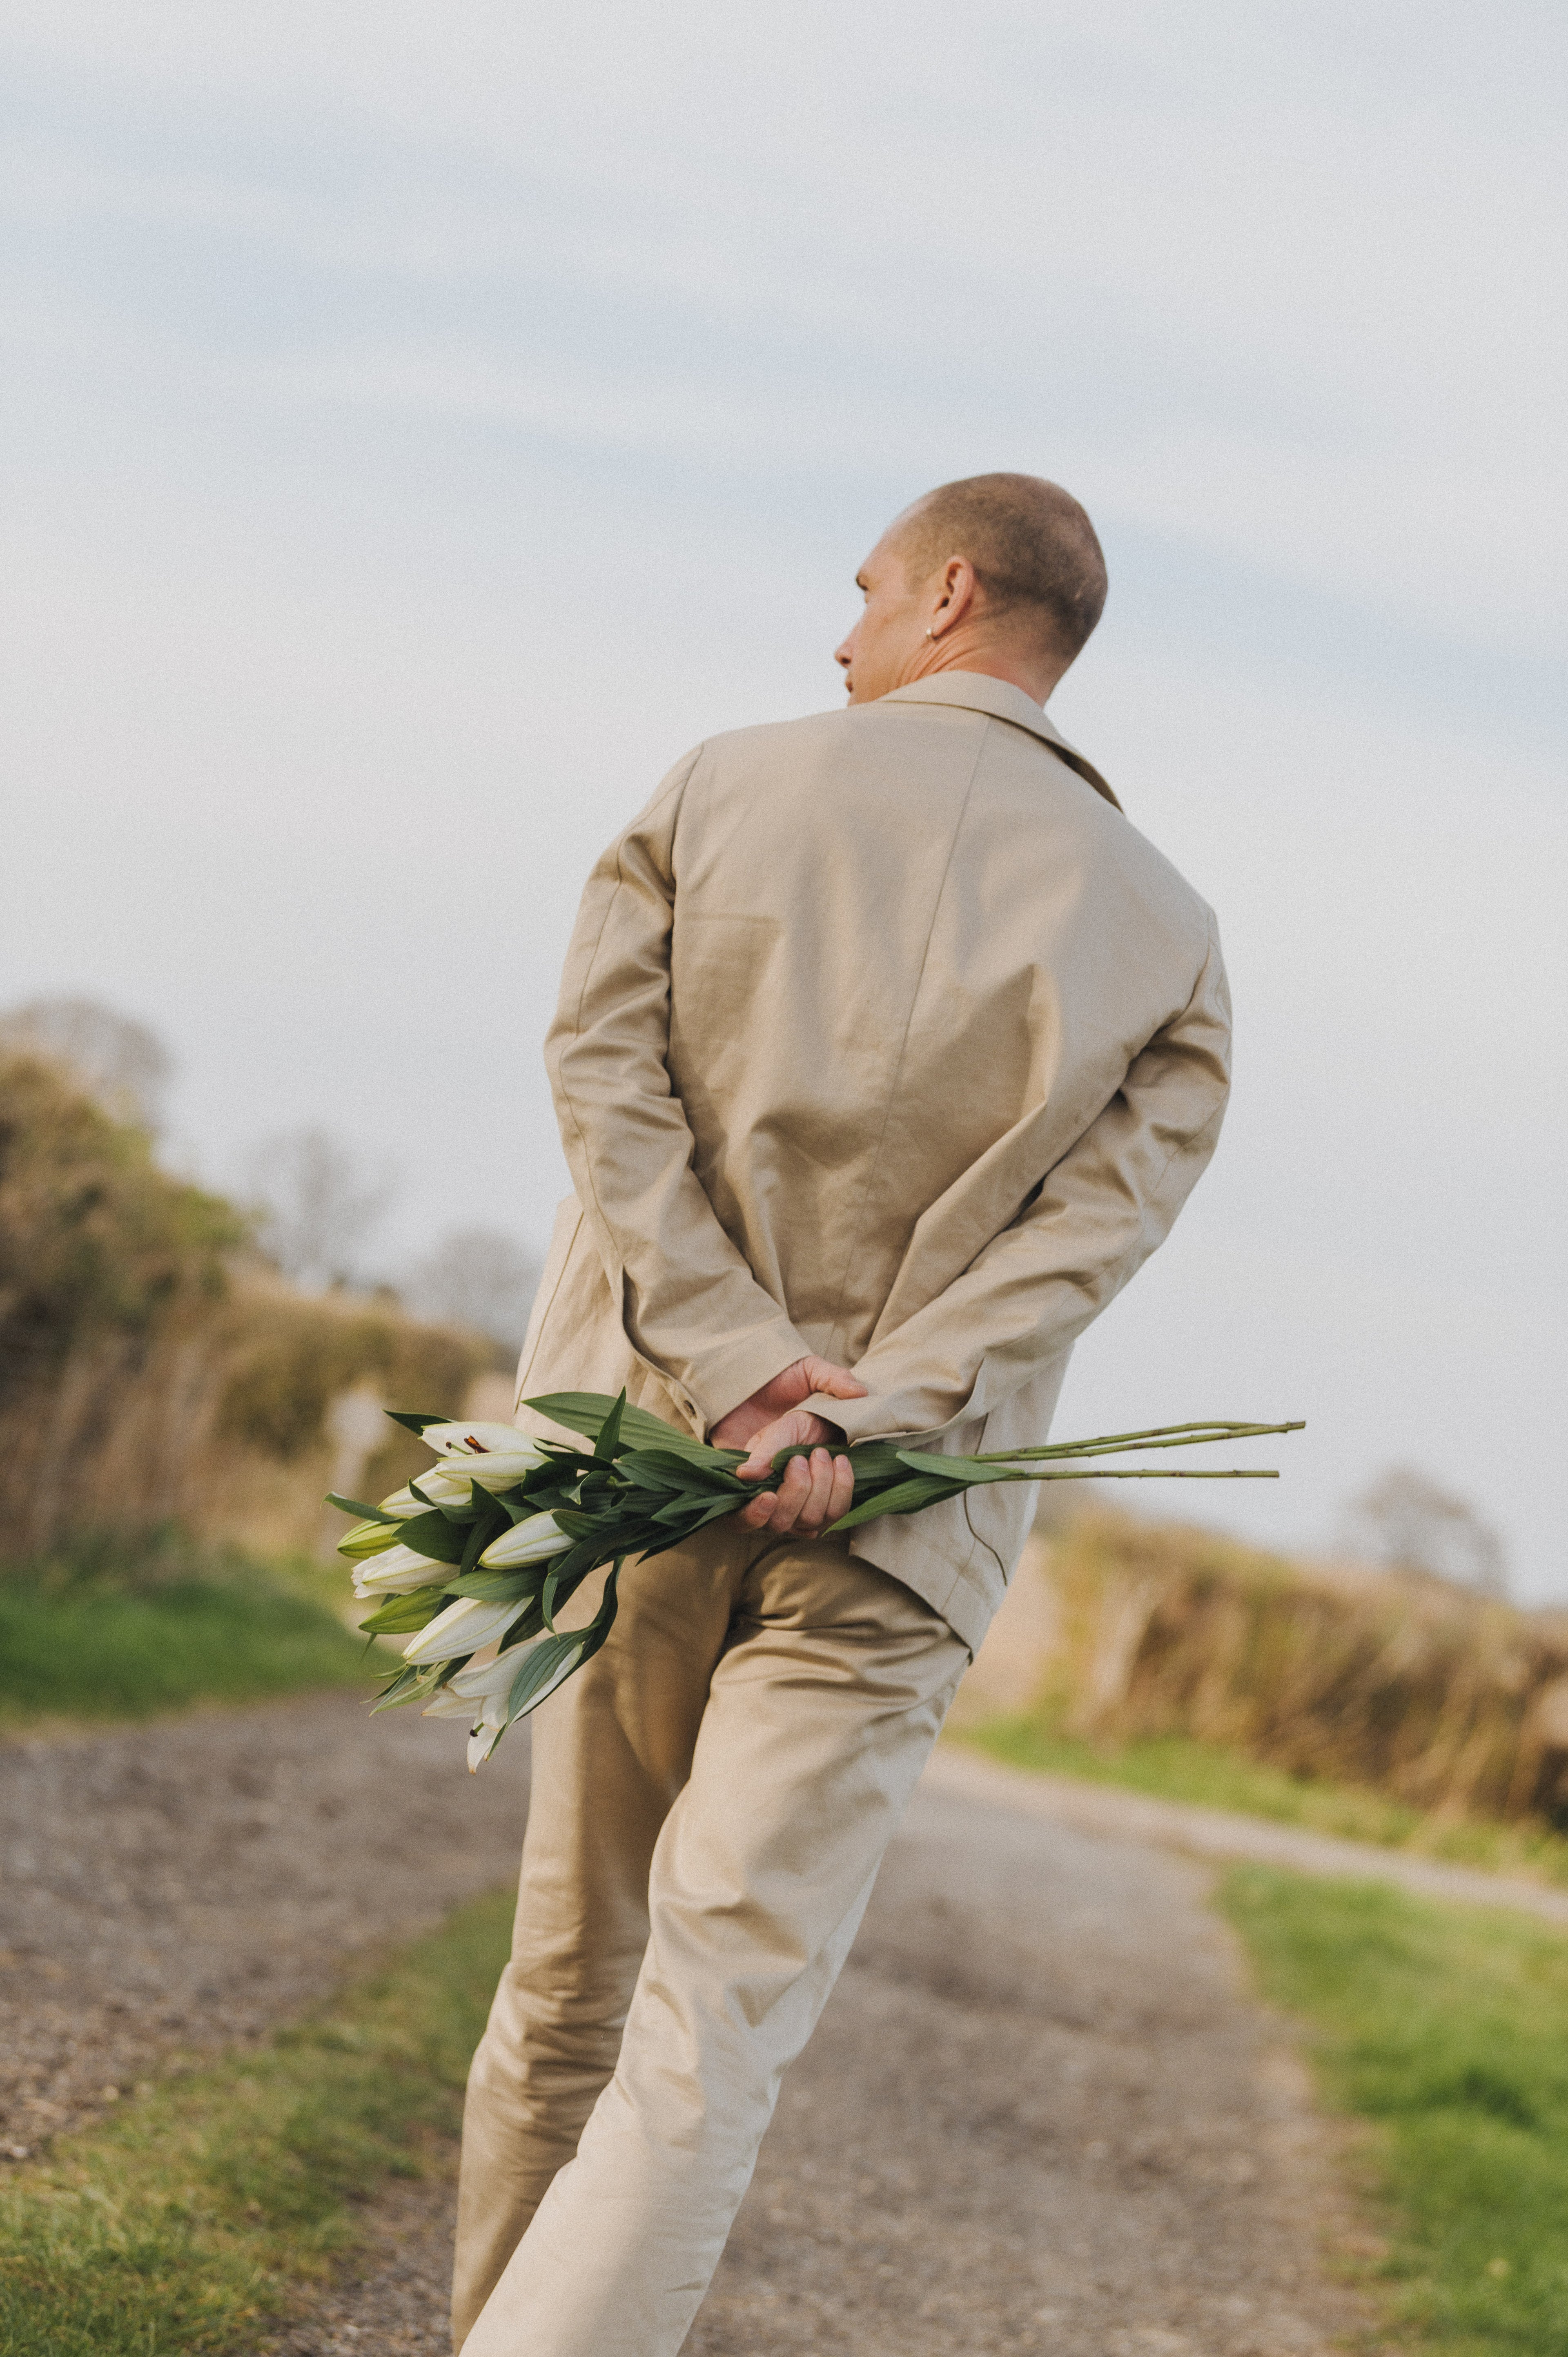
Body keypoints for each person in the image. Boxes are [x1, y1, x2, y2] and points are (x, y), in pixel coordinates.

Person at [452, 472, 1232, 2355]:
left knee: (568, 1985)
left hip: (640, 1463)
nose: (844, 631)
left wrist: (733, 1367)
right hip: (899, 1534)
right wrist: (870, 1414)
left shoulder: (718, 788)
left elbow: (606, 1084)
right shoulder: (1171, 934)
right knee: (709, 2034)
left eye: (867, 589)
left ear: (949, 593)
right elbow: (1085, 1247)